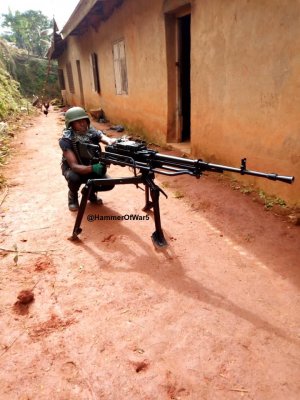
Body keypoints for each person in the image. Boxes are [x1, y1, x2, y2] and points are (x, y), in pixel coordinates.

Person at [59, 106, 116, 211]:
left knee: (109, 183)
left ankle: (88, 193)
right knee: (74, 178)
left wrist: (110, 141)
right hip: (73, 170)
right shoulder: (66, 139)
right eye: (78, 122)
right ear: (71, 124)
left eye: (84, 120)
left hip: (90, 165)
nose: (82, 124)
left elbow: (102, 137)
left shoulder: (91, 131)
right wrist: (93, 168)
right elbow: (74, 166)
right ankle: (73, 196)